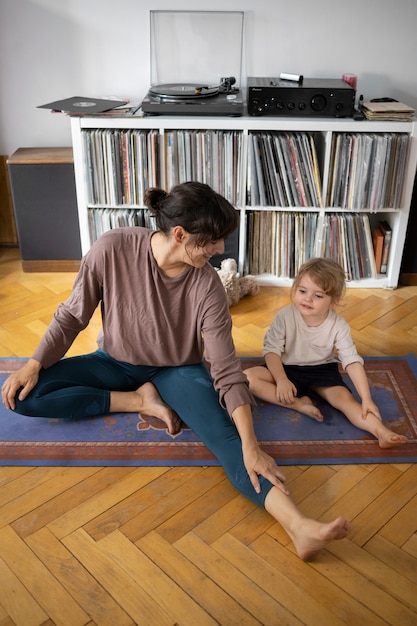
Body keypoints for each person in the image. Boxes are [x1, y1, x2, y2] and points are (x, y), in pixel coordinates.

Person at [1, 182, 350, 560]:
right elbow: (72, 315)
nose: (220, 250)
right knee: (24, 396)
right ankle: (137, 400)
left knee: (230, 441)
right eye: (212, 242)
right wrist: (34, 363)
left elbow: (226, 369)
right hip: (112, 363)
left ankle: (299, 526)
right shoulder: (112, 248)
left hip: (177, 372)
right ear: (180, 234)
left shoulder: (207, 286)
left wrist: (252, 446)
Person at [245, 257, 408, 449]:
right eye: (302, 291)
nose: (307, 299)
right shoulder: (285, 316)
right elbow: (271, 351)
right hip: (286, 368)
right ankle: (299, 404)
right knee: (247, 379)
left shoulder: (338, 325)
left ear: (333, 301)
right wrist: (281, 380)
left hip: (322, 371)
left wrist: (366, 398)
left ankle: (381, 432)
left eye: (318, 296)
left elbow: (352, 361)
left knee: (346, 401)